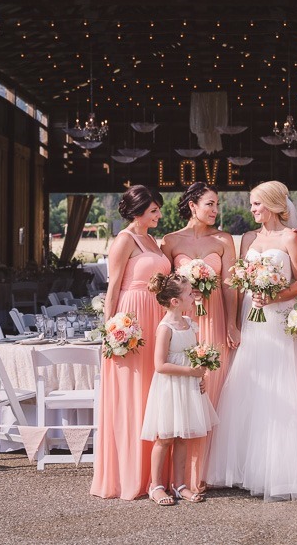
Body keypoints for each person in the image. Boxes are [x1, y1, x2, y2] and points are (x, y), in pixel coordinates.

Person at [206, 181, 297, 501]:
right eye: (252, 204)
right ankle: (245, 467)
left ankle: (279, 470)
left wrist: (273, 297)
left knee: (283, 385)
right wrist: (233, 322)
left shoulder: (289, 238)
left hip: (279, 319)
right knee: (249, 385)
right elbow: (238, 282)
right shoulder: (249, 239)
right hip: (251, 319)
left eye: (257, 204)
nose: (252, 209)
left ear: (271, 204)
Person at [91, 185, 171, 500]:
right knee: (132, 392)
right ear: (137, 212)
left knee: (153, 389)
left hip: (158, 316)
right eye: (153, 211)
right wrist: (110, 329)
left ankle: (155, 473)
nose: (159, 215)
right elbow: (113, 287)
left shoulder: (154, 240)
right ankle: (129, 474)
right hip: (133, 316)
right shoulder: (124, 240)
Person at [161, 182, 240, 492]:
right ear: (192, 206)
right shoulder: (169, 241)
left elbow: (231, 285)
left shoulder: (224, 241)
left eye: (217, 204)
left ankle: (206, 471)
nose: (215, 210)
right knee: (185, 389)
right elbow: (163, 287)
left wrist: (233, 324)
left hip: (216, 319)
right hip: (184, 322)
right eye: (209, 204)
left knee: (213, 389)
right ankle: (182, 475)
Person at [141, 273, 219, 506]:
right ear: (175, 301)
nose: (193, 296)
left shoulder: (189, 323)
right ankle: (156, 486)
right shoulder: (165, 328)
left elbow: (195, 355)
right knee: (165, 438)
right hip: (170, 388)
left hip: (188, 387)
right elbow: (160, 365)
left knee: (183, 436)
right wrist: (191, 373)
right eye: (188, 293)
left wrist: (201, 375)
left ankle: (180, 484)